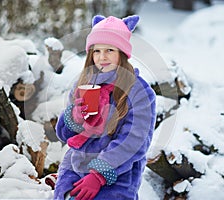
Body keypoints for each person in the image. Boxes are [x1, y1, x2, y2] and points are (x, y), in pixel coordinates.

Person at [53, 14, 156, 200]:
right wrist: (75, 117)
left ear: (122, 53)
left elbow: (134, 141)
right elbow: (65, 135)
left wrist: (99, 174)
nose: (102, 58)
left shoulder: (140, 92)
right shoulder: (83, 83)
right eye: (97, 51)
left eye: (110, 50)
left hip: (117, 175)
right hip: (74, 167)